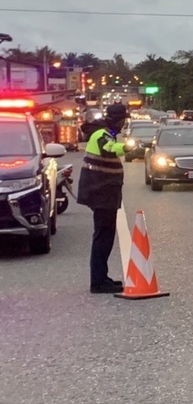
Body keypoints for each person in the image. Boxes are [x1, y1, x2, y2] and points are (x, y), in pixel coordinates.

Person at [77, 103, 129, 293]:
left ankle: (102, 277)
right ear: (120, 120)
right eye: (124, 120)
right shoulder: (102, 135)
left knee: (105, 236)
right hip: (101, 192)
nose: (124, 123)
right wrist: (128, 148)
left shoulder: (104, 132)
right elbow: (109, 148)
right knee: (103, 237)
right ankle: (98, 282)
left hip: (103, 192)